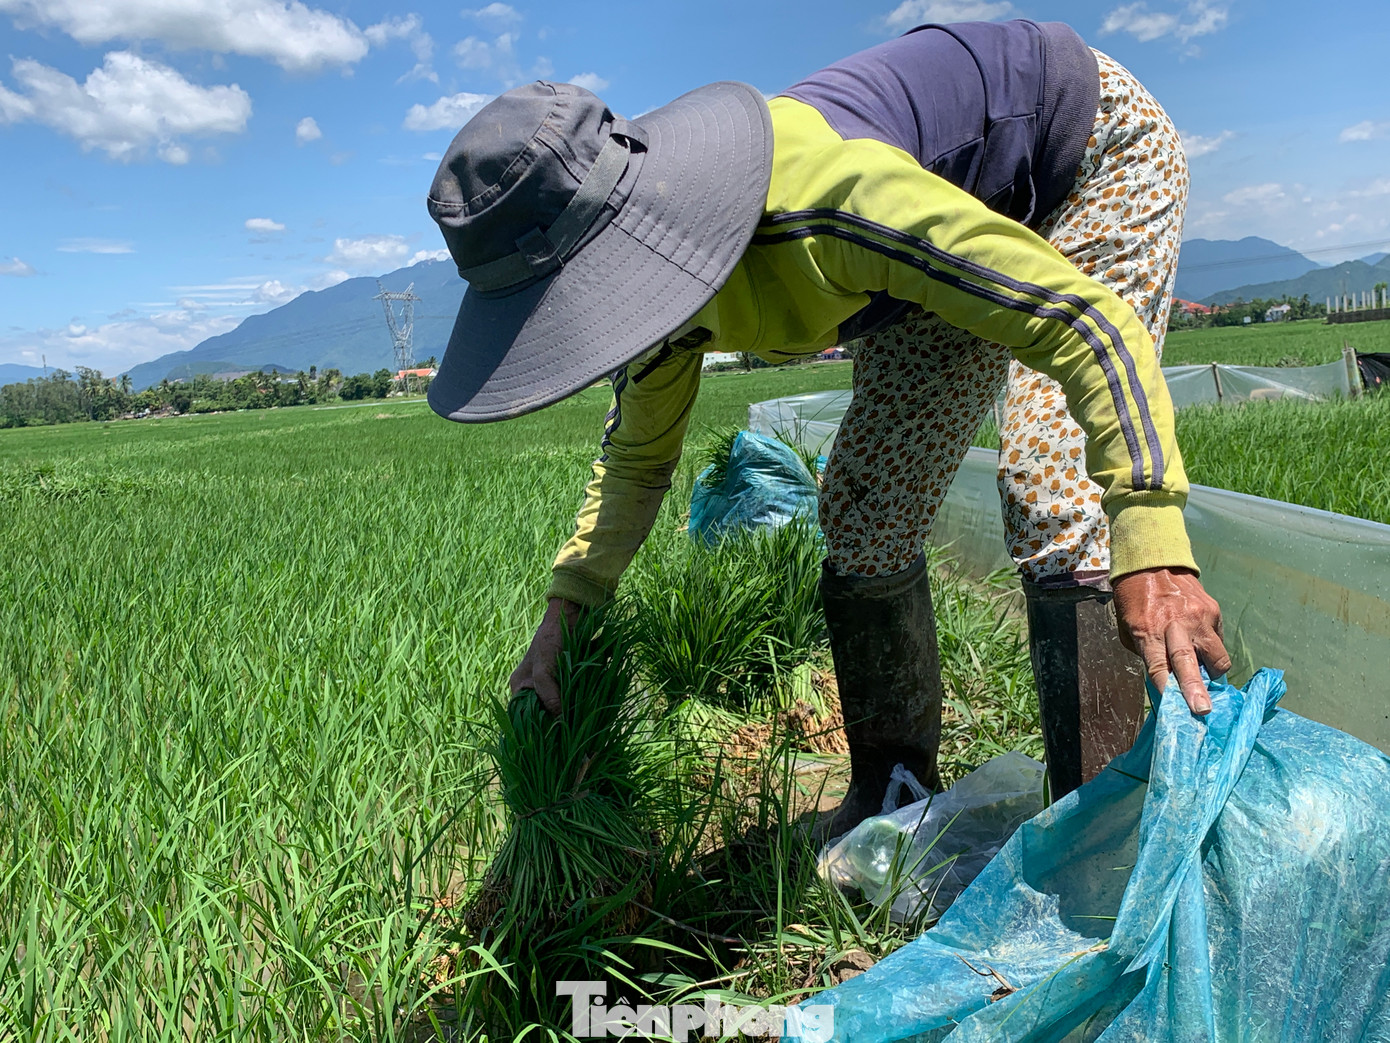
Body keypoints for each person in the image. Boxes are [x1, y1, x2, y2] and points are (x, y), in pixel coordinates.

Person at [424, 18, 1231, 837]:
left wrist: (1152, 539)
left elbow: (1087, 324)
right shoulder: (656, 308)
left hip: (1083, 154)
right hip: (934, 244)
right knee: (865, 506)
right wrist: (565, 613)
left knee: (1050, 485)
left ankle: (1095, 853)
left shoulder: (826, 207)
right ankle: (892, 797)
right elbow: (635, 462)